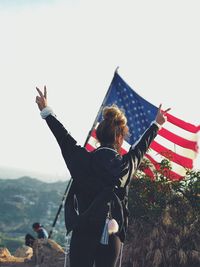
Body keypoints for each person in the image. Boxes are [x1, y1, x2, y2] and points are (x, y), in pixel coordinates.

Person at [35, 86, 170, 267]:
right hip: (110, 233)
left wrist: (46, 111)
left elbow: (63, 138)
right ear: (120, 138)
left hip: (82, 232)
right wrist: (157, 124)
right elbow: (140, 148)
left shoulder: (82, 161)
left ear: (97, 136)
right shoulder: (125, 166)